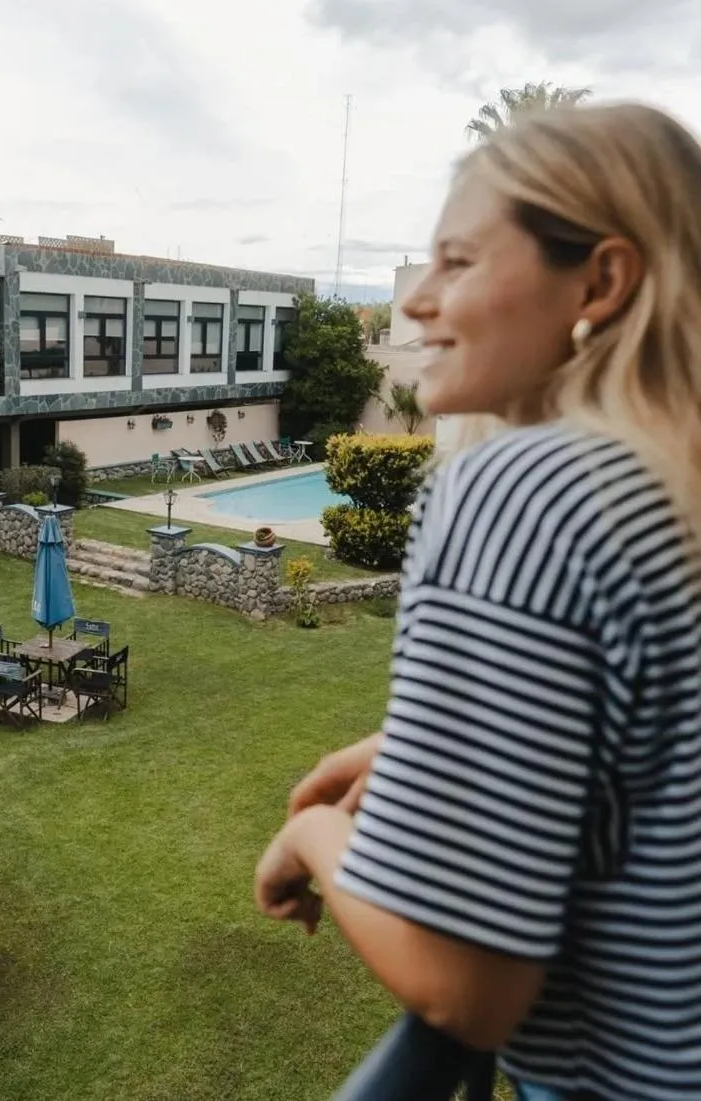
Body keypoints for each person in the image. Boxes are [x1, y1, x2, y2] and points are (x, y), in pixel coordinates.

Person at [254, 102, 701, 1101]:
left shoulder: (522, 492)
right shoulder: (668, 493)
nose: (415, 304)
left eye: (457, 262)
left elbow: (468, 991)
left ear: (602, 281)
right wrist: (405, 755)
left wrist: (311, 839)